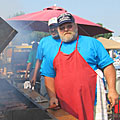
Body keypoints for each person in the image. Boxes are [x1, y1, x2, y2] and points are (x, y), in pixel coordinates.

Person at [42, 13, 119, 120]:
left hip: (92, 99)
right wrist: (52, 97)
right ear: (58, 30)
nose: (66, 30)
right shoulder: (51, 50)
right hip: (64, 101)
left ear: (76, 26)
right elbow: (48, 75)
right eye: (62, 28)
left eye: (69, 26)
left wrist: (112, 90)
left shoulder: (92, 43)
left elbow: (108, 66)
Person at [30, 17, 60, 99]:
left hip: (61, 77)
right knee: (46, 99)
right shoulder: (44, 41)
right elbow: (38, 60)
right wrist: (34, 76)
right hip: (46, 77)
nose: (53, 29)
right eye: (51, 27)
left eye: (55, 27)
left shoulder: (65, 41)